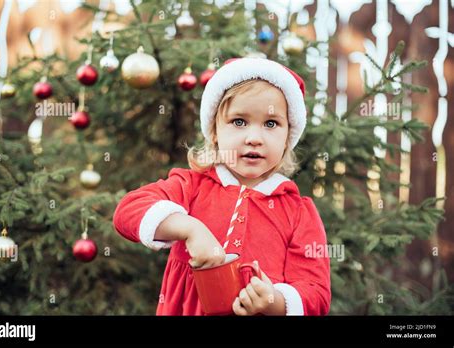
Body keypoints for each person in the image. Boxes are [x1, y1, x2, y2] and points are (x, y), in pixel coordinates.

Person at [113, 57, 331, 316]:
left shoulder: (297, 212)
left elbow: (315, 292)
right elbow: (128, 212)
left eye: (271, 124)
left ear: (287, 137)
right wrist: (191, 229)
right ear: (215, 131)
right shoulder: (192, 186)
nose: (254, 138)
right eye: (239, 121)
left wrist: (273, 301)